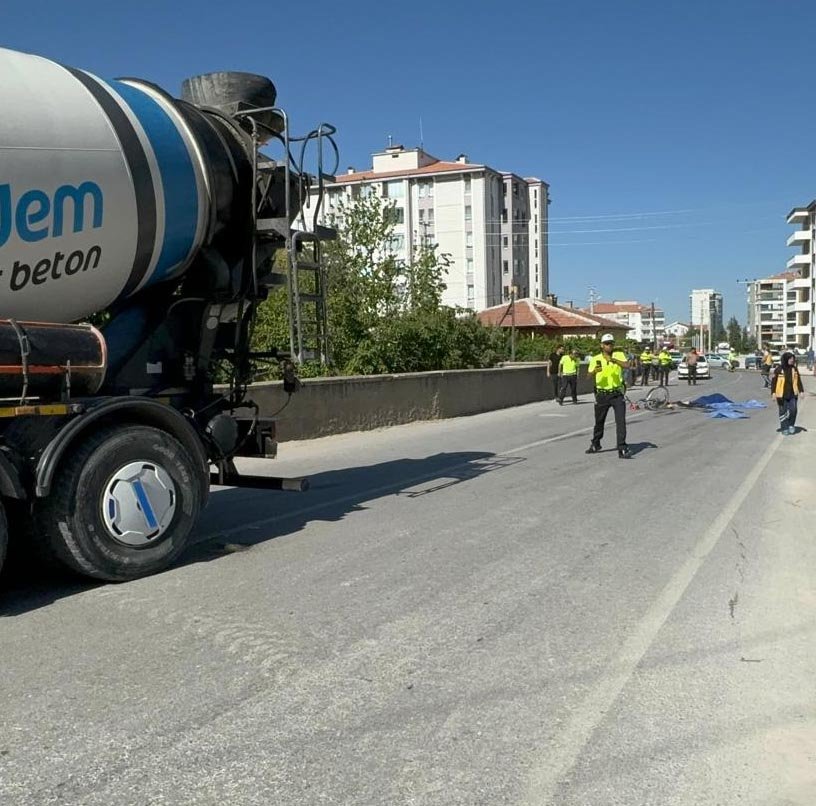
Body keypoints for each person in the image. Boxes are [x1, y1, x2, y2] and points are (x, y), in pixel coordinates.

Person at [586, 334, 632, 459]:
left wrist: (614, 361)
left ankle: (622, 447)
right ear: (602, 345)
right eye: (606, 343)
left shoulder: (619, 355)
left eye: (611, 343)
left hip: (616, 393)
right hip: (602, 394)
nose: (609, 346)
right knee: (599, 422)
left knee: (621, 421)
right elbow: (588, 376)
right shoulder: (596, 359)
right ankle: (596, 443)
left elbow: (627, 365)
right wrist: (595, 371)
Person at [771, 351, 804, 435]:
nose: (792, 360)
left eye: (793, 358)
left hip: (792, 394)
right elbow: (773, 382)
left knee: (793, 410)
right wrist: (773, 393)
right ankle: (784, 428)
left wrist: (801, 391)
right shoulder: (779, 369)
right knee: (783, 412)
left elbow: (798, 380)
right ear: (786, 359)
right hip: (781, 395)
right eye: (790, 358)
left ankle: (791, 425)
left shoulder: (794, 369)